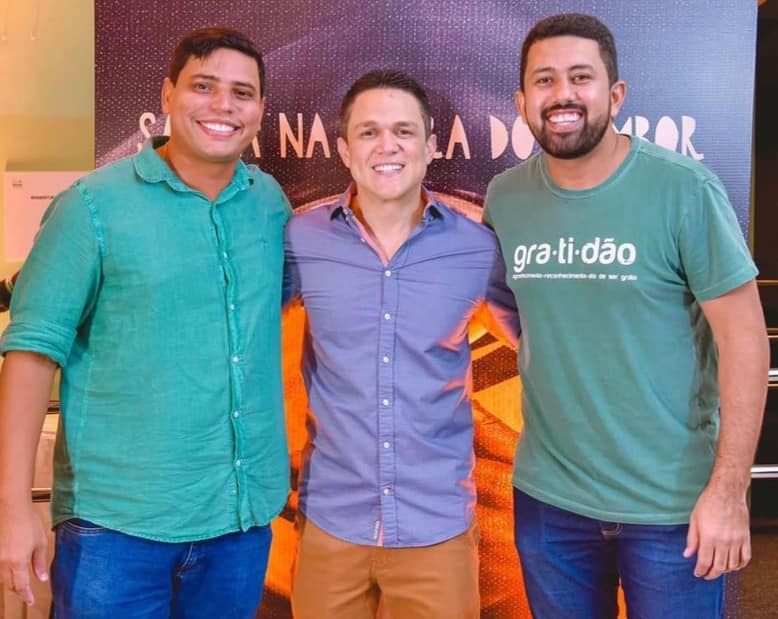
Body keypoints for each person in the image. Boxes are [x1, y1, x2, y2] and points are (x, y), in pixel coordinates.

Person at [483, 13, 769, 619]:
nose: (562, 94)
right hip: (550, 504)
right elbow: (514, 311)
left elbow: (745, 341)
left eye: (580, 77)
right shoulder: (505, 198)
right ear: (522, 101)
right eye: (544, 80)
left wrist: (729, 489)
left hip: (672, 508)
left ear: (615, 95)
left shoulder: (684, 189)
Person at [0, 27, 290, 617]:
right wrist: (12, 507)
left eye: (242, 93)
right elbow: (30, 353)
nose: (223, 106)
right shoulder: (92, 206)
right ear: (167, 94)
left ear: (260, 109)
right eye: (203, 86)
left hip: (240, 523)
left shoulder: (269, 203)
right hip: (115, 533)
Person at [283, 69, 520, 619]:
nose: (387, 146)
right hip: (331, 528)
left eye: (404, 131)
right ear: (344, 150)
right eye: (368, 132)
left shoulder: (477, 247)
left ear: (431, 147)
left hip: (437, 531)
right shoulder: (300, 240)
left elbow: (545, 347)